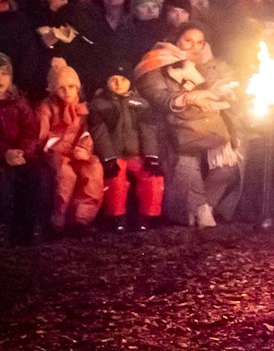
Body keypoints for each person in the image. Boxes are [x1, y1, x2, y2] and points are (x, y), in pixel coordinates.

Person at [135, 28, 242, 229]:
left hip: (206, 126)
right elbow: (157, 97)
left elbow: (222, 90)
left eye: (200, 42)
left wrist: (215, 79)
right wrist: (188, 98)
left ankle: (205, 206)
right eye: (188, 41)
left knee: (229, 167)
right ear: (176, 39)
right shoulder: (156, 63)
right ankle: (195, 211)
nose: (194, 47)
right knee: (187, 159)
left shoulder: (204, 64)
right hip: (172, 128)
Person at [89, 73, 163, 232]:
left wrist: (151, 156)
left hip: (136, 154)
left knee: (153, 178)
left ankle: (147, 217)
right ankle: (118, 218)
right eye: (113, 79)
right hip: (115, 154)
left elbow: (148, 130)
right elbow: (99, 132)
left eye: (123, 79)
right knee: (116, 180)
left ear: (130, 81)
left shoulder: (141, 104)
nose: (118, 83)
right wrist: (108, 157)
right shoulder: (99, 104)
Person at [37, 58, 103, 235]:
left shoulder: (81, 108)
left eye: (71, 87)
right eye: (61, 88)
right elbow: (43, 136)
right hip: (54, 152)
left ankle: (80, 220)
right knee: (66, 175)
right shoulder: (46, 107)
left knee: (93, 169)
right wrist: (66, 149)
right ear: (53, 89)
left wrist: (84, 150)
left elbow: (85, 132)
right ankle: (58, 221)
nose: (67, 92)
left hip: (76, 152)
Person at [0, 54, 47, 244]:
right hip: (2, 155)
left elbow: (31, 131)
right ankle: (4, 228)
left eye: (3, 74)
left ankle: (33, 226)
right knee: (3, 181)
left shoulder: (20, 102)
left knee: (39, 174)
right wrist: (5, 154)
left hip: (20, 153)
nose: (0, 79)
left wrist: (22, 152)